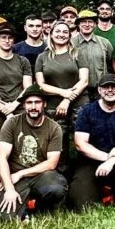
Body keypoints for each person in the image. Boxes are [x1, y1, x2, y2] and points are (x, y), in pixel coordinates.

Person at [0, 84, 68, 221]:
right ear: (23, 104)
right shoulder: (12, 123)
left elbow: (51, 163)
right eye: (29, 102)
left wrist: (20, 174)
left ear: (44, 104)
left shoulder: (54, 127)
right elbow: (1, 158)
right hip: (15, 178)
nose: (33, 106)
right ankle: (23, 211)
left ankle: (41, 209)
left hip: (41, 175)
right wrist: (9, 189)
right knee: (6, 218)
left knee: (56, 188)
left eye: (37, 102)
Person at [69, 74, 115, 208]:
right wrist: (107, 157)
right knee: (81, 204)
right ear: (99, 90)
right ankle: (99, 193)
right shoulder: (86, 111)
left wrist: (112, 161)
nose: (110, 90)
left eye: (114, 87)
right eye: (105, 87)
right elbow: (80, 144)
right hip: (90, 162)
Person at [34, 21, 89, 165]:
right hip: (53, 105)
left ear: (70, 35)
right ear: (51, 34)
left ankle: (82, 173)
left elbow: (84, 81)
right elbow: (41, 85)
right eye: (57, 31)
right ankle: (61, 173)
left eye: (65, 32)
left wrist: (67, 99)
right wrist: (63, 93)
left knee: (81, 140)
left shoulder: (78, 53)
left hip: (79, 102)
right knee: (57, 140)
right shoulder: (42, 57)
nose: (61, 35)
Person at [0, 22, 33, 162]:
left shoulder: (23, 61)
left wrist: (15, 105)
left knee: (24, 142)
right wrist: (6, 111)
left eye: (10, 37)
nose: (7, 40)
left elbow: (27, 88)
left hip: (20, 105)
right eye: (3, 37)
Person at [70, 10, 114, 102]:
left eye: (90, 22)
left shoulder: (105, 43)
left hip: (101, 91)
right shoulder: (71, 44)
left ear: (95, 24)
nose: (87, 25)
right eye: (83, 22)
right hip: (78, 92)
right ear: (78, 24)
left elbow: (112, 66)